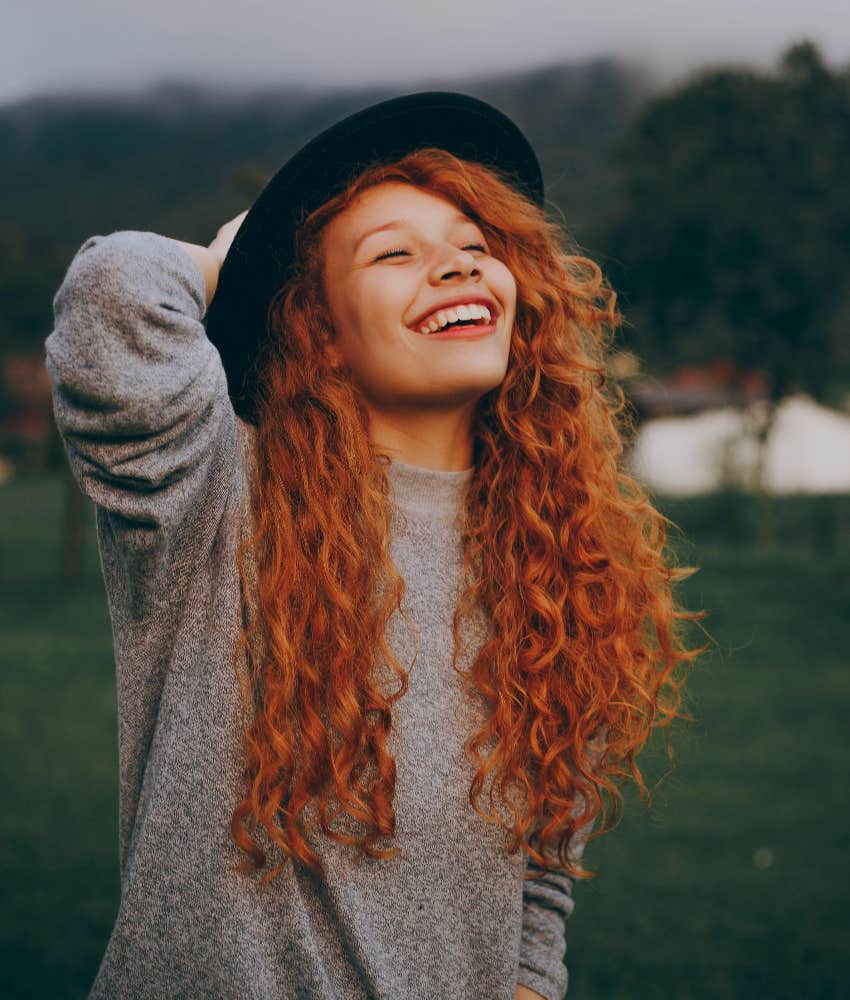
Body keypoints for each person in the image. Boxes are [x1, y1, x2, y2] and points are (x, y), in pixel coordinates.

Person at [45, 92, 706, 1000]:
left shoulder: (560, 569)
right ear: (319, 330)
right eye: (394, 254)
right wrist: (230, 262)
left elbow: (542, 872)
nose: (453, 266)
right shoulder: (218, 498)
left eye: (477, 247)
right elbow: (109, 298)